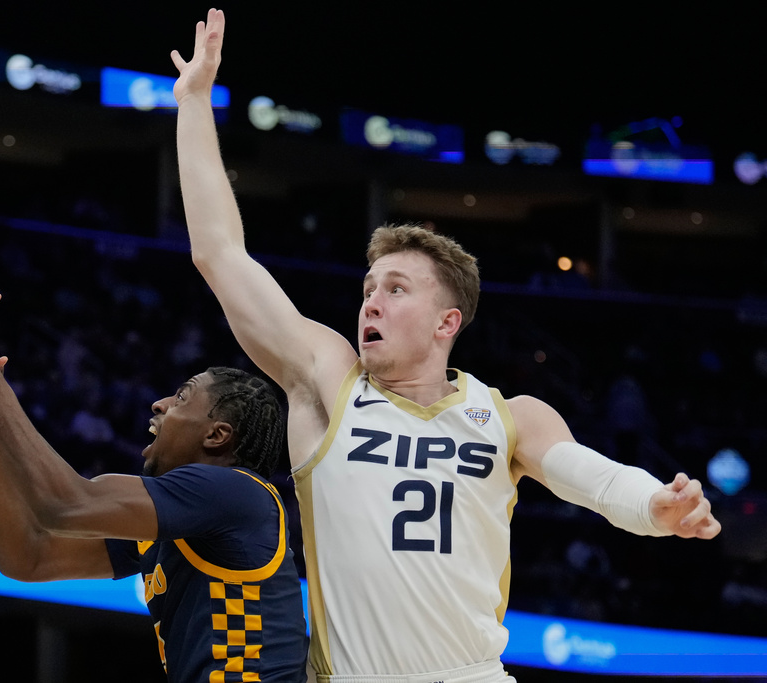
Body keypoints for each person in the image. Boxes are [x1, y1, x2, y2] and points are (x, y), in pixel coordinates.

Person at [170, 9, 721, 683]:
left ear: (445, 322)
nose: (371, 299)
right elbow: (220, 254)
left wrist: (655, 508)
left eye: (396, 288)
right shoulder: (326, 381)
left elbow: (595, 477)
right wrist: (194, 104)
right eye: (370, 286)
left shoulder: (510, 414)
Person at [0, 286, 309, 683]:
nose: (159, 403)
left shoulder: (234, 492)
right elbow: (28, 557)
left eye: (182, 397)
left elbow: (64, 505)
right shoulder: (181, 522)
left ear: (217, 436)